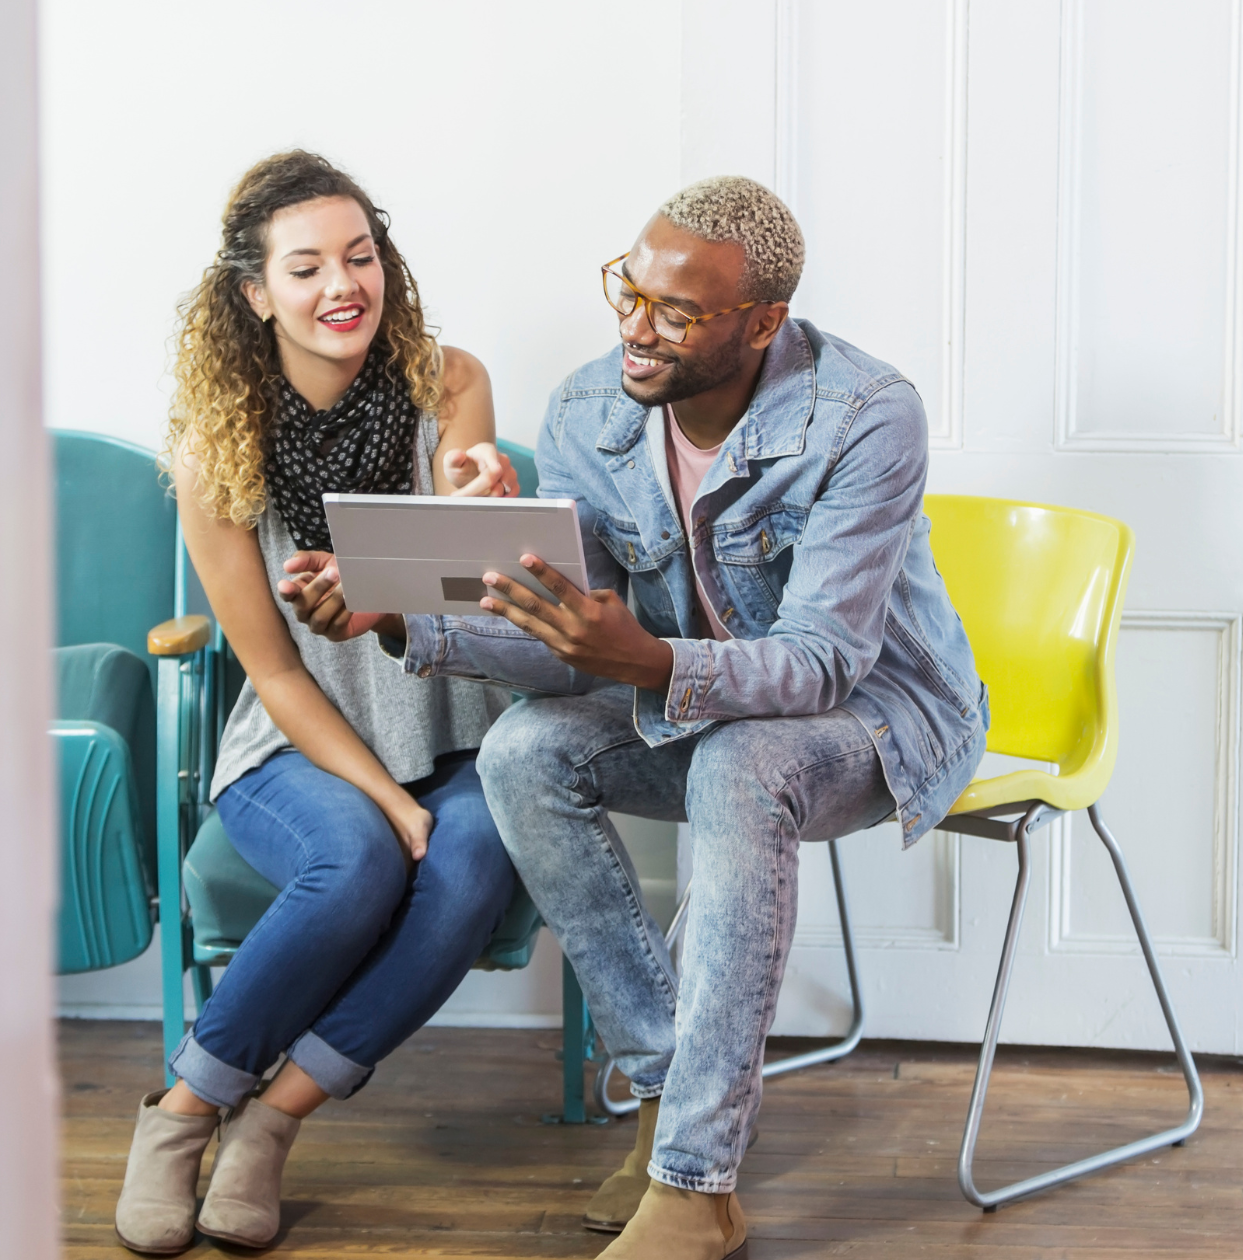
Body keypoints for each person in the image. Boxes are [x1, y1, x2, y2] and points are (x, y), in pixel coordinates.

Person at [282, 175, 987, 1260]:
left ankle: (697, 1187)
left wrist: (648, 659)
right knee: (523, 751)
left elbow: (824, 663)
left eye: (674, 310)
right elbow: (566, 641)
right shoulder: (588, 408)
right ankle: (668, 1102)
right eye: (627, 287)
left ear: (761, 324)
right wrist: (398, 622)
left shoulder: (863, 414)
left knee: (741, 767)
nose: (633, 325)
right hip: (696, 703)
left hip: (882, 718)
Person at [111, 150, 523, 1256]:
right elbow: (278, 670)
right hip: (300, 742)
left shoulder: (447, 381)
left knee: (478, 859)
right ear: (255, 295)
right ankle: (184, 1113)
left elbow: (471, 583)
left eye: (361, 255)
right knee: (361, 859)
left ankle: (269, 1126)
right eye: (307, 268)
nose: (344, 284)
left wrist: (480, 503)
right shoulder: (215, 451)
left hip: (460, 727)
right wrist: (387, 800)